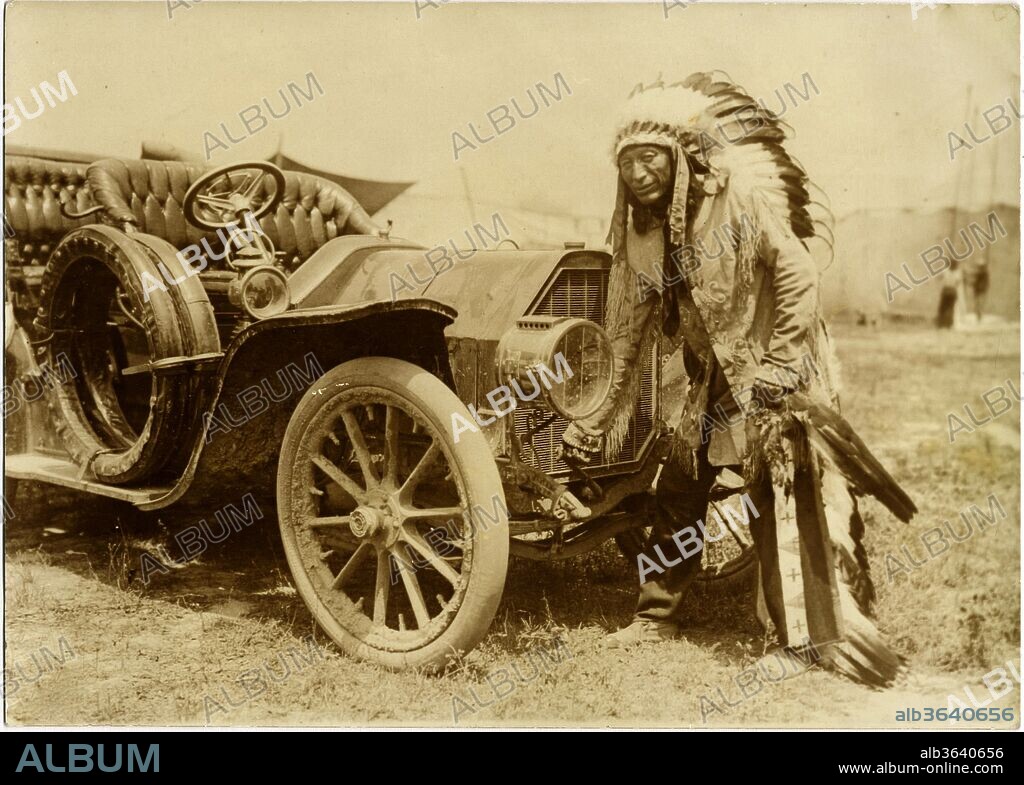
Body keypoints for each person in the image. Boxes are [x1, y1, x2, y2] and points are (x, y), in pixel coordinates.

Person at [561, 74, 909, 685]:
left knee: (776, 496)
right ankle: (657, 615)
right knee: (679, 488)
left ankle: (797, 632)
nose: (639, 172)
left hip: (771, 364)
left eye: (650, 158)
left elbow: (799, 272)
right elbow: (628, 324)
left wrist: (778, 365)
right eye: (628, 162)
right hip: (704, 376)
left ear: (680, 156)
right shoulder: (640, 229)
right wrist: (599, 409)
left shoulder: (738, 199)